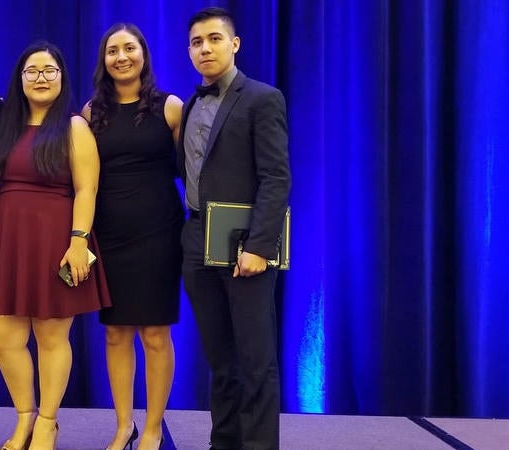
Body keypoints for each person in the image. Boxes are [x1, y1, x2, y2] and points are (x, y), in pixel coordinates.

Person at [0, 41, 110, 450]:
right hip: (9, 240)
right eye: (31, 70)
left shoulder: (74, 126)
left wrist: (78, 242)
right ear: (19, 80)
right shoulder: (6, 125)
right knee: (4, 335)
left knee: (52, 336)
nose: (40, 77)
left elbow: (87, 190)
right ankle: (24, 417)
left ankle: (47, 423)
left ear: (62, 77)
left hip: (58, 239)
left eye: (49, 70)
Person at [179, 7, 291, 450]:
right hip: (196, 242)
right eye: (196, 42)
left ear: (235, 44)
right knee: (220, 361)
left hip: (246, 246)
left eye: (213, 39)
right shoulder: (189, 104)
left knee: (255, 360)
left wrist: (260, 246)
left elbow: (276, 177)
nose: (204, 48)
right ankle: (222, 443)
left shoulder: (262, 98)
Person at [82, 23, 184, 450]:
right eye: (112, 51)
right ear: (103, 61)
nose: (121, 57)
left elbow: (191, 172)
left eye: (129, 48)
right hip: (110, 236)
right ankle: (124, 425)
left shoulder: (171, 107)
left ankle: (155, 427)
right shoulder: (91, 113)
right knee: (115, 333)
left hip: (159, 233)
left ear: (144, 54)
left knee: (156, 334)